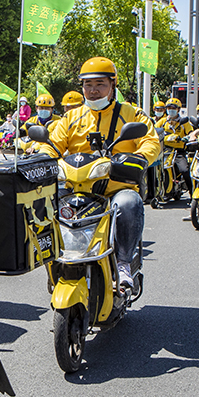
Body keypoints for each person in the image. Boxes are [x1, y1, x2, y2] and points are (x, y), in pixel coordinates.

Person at [43, 57, 161, 290]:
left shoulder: (132, 113)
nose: (93, 90)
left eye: (100, 84)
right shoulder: (71, 117)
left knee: (129, 203)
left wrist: (139, 157)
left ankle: (124, 261)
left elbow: (150, 141)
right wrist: (42, 155)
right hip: (76, 186)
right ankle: (52, 258)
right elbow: (53, 144)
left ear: (112, 85)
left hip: (116, 186)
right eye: (88, 85)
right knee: (45, 202)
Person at [156, 98, 194, 202]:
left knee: (184, 170)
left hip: (178, 152)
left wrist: (188, 137)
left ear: (178, 110)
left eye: (173, 108)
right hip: (164, 151)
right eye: (168, 108)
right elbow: (154, 131)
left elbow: (191, 133)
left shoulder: (183, 123)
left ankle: (192, 193)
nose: (171, 110)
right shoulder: (163, 122)